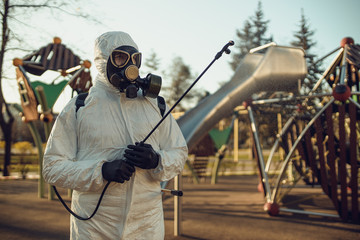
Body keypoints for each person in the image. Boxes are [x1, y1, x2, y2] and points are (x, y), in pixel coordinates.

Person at [43, 31, 188, 240]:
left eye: (134, 59)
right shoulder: (79, 107)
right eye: (120, 57)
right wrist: (101, 171)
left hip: (147, 226)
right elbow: (52, 168)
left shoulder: (156, 106)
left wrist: (157, 160)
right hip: (94, 228)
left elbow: (180, 153)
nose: (130, 66)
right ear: (103, 62)